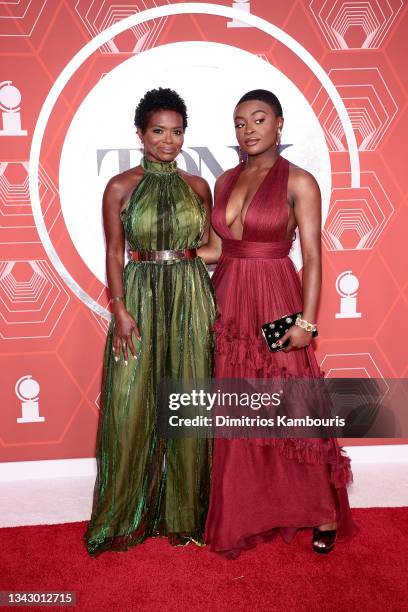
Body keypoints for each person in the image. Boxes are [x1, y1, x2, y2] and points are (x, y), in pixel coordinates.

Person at [198, 89, 358, 558]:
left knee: (293, 404)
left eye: (258, 119)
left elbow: (312, 255)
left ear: (280, 124)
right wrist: (165, 257)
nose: (248, 130)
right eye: (240, 122)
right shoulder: (224, 180)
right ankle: (248, 510)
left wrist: (308, 322)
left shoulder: (300, 182)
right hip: (228, 300)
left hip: (275, 299)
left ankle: (322, 511)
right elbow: (215, 250)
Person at [85, 88, 216, 556]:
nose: (168, 141)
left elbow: (214, 246)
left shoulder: (200, 187)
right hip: (138, 295)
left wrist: (184, 264)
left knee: (189, 395)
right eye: (158, 131)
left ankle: (183, 513)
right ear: (139, 133)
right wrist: (119, 307)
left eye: (177, 131)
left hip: (189, 295)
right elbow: (114, 251)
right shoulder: (120, 186)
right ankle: (126, 513)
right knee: (131, 399)